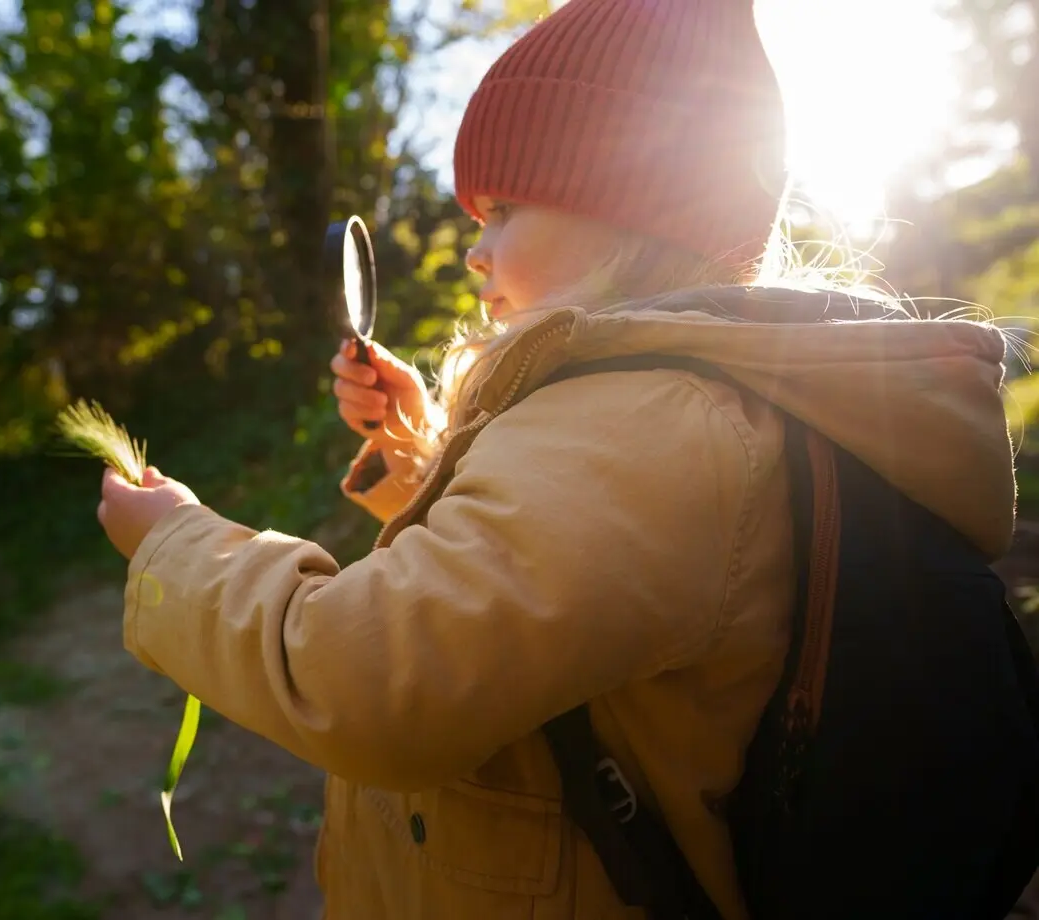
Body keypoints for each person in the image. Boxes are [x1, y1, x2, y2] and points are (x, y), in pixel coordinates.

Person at [96, 1, 1018, 917]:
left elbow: (374, 684)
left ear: (620, 199)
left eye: (501, 208)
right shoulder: (688, 406)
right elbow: (552, 584)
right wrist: (420, 453)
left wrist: (176, 545)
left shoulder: (651, 423)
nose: (472, 250)